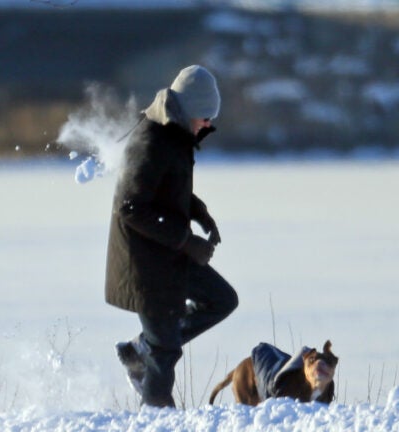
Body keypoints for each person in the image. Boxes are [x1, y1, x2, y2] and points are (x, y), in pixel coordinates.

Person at [105, 65, 238, 408]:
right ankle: (156, 418)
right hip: (143, 261)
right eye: (206, 117)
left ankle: (141, 349)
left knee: (221, 299)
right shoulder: (152, 140)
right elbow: (131, 207)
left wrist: (199, 212)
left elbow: (166, 188)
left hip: (166, 252)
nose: (208, 125)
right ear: (191, 109)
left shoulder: (176, 134)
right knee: (165, 350)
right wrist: (187, 242)